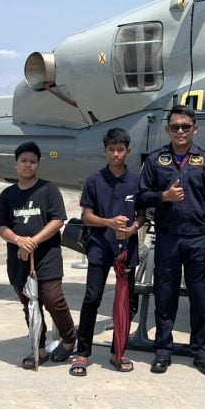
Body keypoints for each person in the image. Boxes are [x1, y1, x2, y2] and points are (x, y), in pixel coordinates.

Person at [137, 105, 205, 375]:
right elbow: (140, 196)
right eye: (175, 127)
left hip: (198, 240)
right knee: (165, 298)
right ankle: (163, 351)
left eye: (186, 127)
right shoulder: (155, 160)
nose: (180, 131)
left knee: (201, 299)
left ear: (194, 129)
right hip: (167, 239)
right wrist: (163, 197)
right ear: (168, 130)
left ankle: (201, 352)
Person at [0, 141, 77, 368]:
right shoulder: (7, 195)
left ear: (38, 165)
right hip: (18, 259)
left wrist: (32, 242)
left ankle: (69, 340)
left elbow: (58, 219)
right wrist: (19, 240)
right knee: (30, 305)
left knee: (53, 300)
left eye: (32, 162)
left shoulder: (48, 189)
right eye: (23, 161)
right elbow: (0, 226)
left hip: (47, 256)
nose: (28, 165)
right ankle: (38, 348)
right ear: (16, 164)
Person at [71, 127, 144, 376]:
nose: (115, 154)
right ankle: (83, 353)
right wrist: (110, 223)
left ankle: (118, 351)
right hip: (101, 247)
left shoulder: (136, 180)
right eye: (111, 150)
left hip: (126, 249)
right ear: (104, 151)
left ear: (128, 151)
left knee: (126, 301)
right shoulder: (94, 180)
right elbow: (87, 217)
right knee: (92, 298)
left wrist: (133, 228)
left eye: (120, 150)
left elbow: (142, 215)